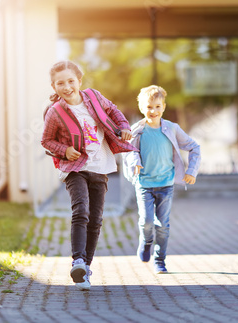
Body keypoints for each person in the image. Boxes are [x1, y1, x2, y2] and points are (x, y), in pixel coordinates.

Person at [41, 60, 136, 290]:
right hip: (75, 168)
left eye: (71, 81)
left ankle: (84, 270)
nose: (67, 86)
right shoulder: (56, 112)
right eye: (60, 83)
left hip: (100, 166)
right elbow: (46, 140)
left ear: (79, 81)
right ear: (54, 87)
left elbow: (113, 110)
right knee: (81, 209)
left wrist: (123, 125)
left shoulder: (93, 97)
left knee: (96, 219)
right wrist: (65, 150)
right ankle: (78, 260)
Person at [123, 85, 201, 274]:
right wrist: (135, 162)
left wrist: (191, 171)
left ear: (163, 107)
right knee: (147, 221)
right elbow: (128, 151)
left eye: (158, 107)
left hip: (165, 184)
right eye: (149, 107)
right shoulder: (137, 130)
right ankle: (146, 240)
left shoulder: (172, 129)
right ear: (142, 108)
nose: (153, 111)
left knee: (163, 224)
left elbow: (194, 147)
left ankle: (160, 260)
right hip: (144, 184)